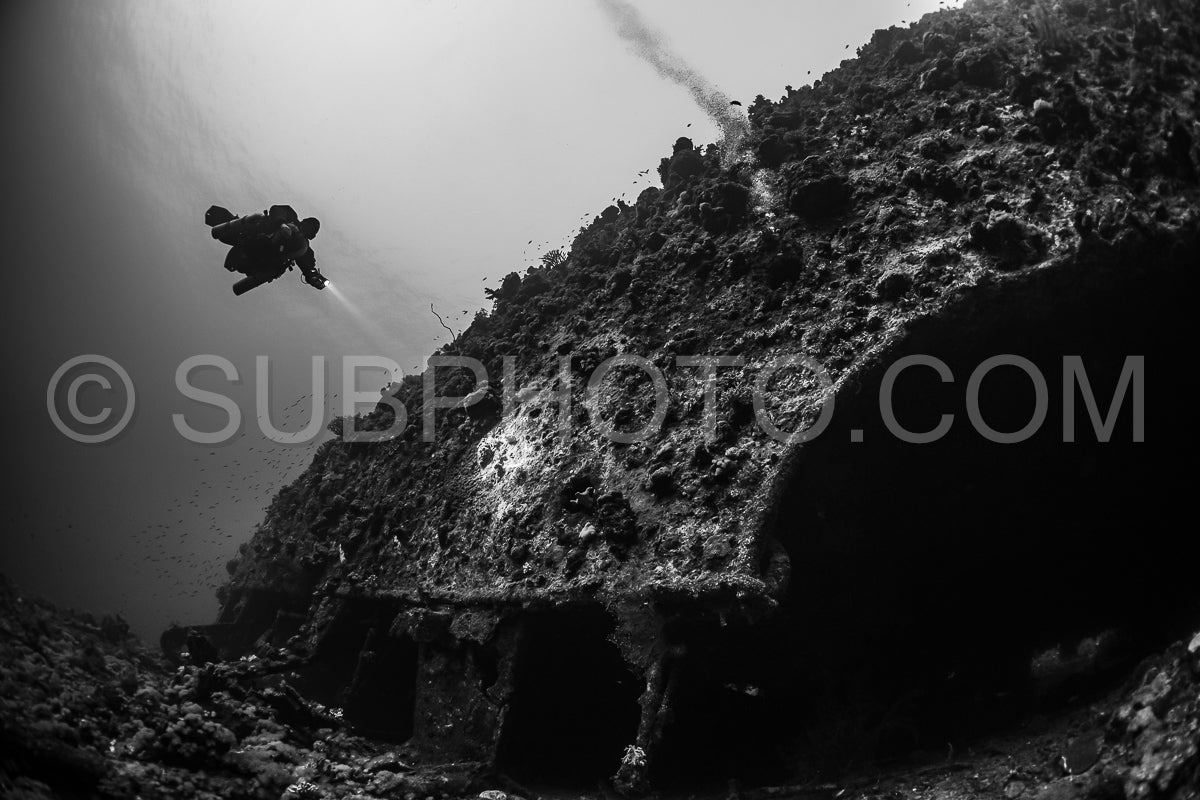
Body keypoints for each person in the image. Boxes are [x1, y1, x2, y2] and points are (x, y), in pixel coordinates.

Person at [207, 204, 327, 294]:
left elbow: (308, 267)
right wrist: (281, 224)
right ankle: (229, 226)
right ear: (304, 221)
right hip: (252, 239)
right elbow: (277, 209)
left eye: (312, 230)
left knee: (275, 268)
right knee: (252, 223)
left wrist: (313, 277)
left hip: (261, 260)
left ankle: (252, 273)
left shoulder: (304, 248)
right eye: (309, 225)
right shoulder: (290, 217)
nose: (308, 229)